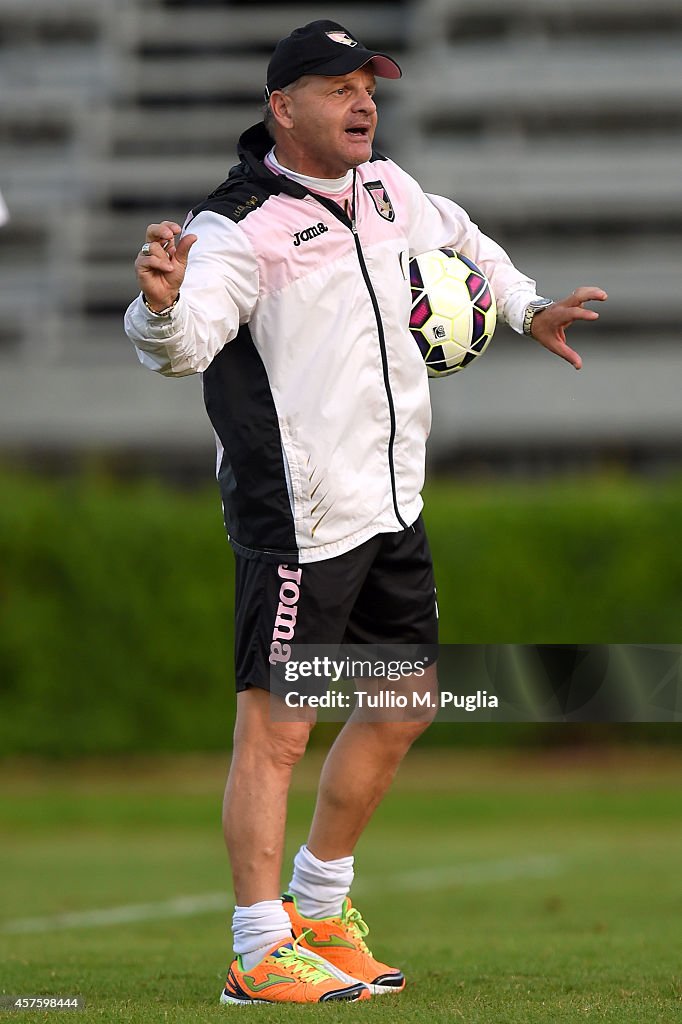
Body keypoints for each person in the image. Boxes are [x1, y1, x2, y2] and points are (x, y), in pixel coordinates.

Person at [123, 19, 607, 1005]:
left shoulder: (389, 189)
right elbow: (183, 340)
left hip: (393, 504)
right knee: (276, 730)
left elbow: (462, 237)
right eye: (337, 87)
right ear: (280, 106)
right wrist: (161, 307)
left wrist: (523, 306)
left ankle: (318, 907)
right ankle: (257, 950)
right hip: (297, 519)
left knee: (403, 704)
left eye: (370, 87)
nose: (363, 104)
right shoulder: (234, 226)